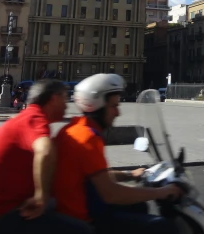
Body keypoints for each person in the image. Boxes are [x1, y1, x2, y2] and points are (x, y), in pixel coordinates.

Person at [52, 74, 183, 234]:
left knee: (139, 206)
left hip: (79, 207)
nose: (118, 113)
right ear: (98, 106)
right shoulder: (87, 139)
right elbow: (111, 194)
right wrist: (161, 192)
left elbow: (94, 175)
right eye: (113, 106)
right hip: (85, 218)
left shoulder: (74, 129)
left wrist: (130, 174)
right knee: (163, 227)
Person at [0, 79, 91, 234]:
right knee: (82, 230)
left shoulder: (25, 117)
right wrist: (41, 196)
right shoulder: (34, 118)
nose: (66, 104)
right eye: (65, 98)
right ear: (54, 98)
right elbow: (45, 150)